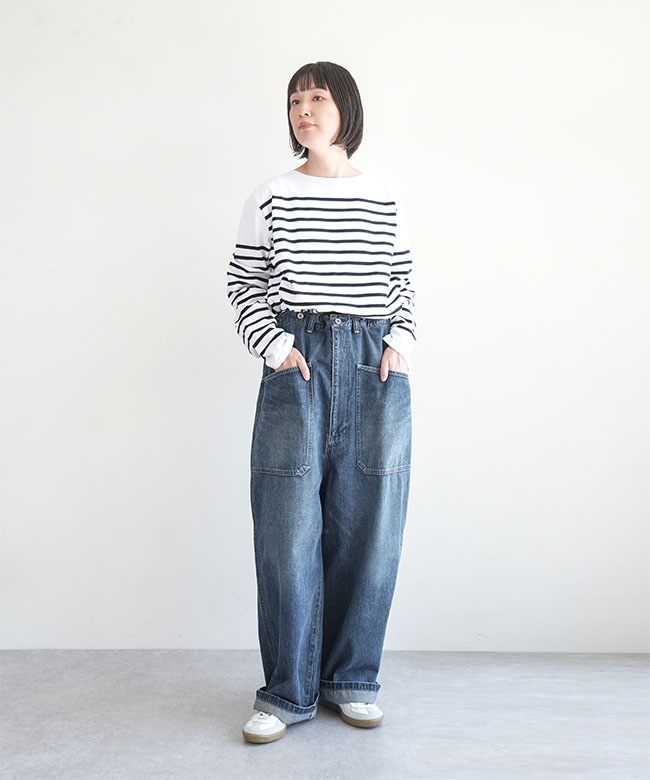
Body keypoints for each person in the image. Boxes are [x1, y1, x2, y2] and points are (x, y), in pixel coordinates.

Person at [227, 61, 415, 744]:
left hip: (373, 369)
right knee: (286, 536)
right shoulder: (271, 195)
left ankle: (352, 679)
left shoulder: (383, 197)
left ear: (346, 110)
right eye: (294, 100)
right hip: (297, 365)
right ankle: (286, 692)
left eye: (317, 98)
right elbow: (243, 282)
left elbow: (401, 282)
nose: (303, 110)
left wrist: (400, 344)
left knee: (371, 532)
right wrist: (276, 347)